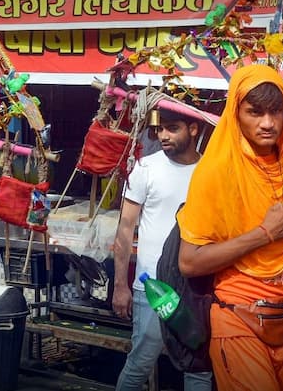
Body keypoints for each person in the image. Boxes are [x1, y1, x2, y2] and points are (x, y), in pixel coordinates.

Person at [176, 64, 283, 390]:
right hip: (236, 318)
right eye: (255, 112)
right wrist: (264, 233)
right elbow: (189, 262)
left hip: (280, 317)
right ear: (236, 113)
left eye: (276, 112)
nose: (267, 123)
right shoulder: (216, 171)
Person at [111, 108, 212, 391]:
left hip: (196, 288)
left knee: (199, 365)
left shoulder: (210, 171)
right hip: (153, 288)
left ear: (193, 129)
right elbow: (124, 230)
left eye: (172, 128)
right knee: (141, 361)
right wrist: (121, 285)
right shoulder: (145, 168)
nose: (163, 136)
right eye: (160, 129)